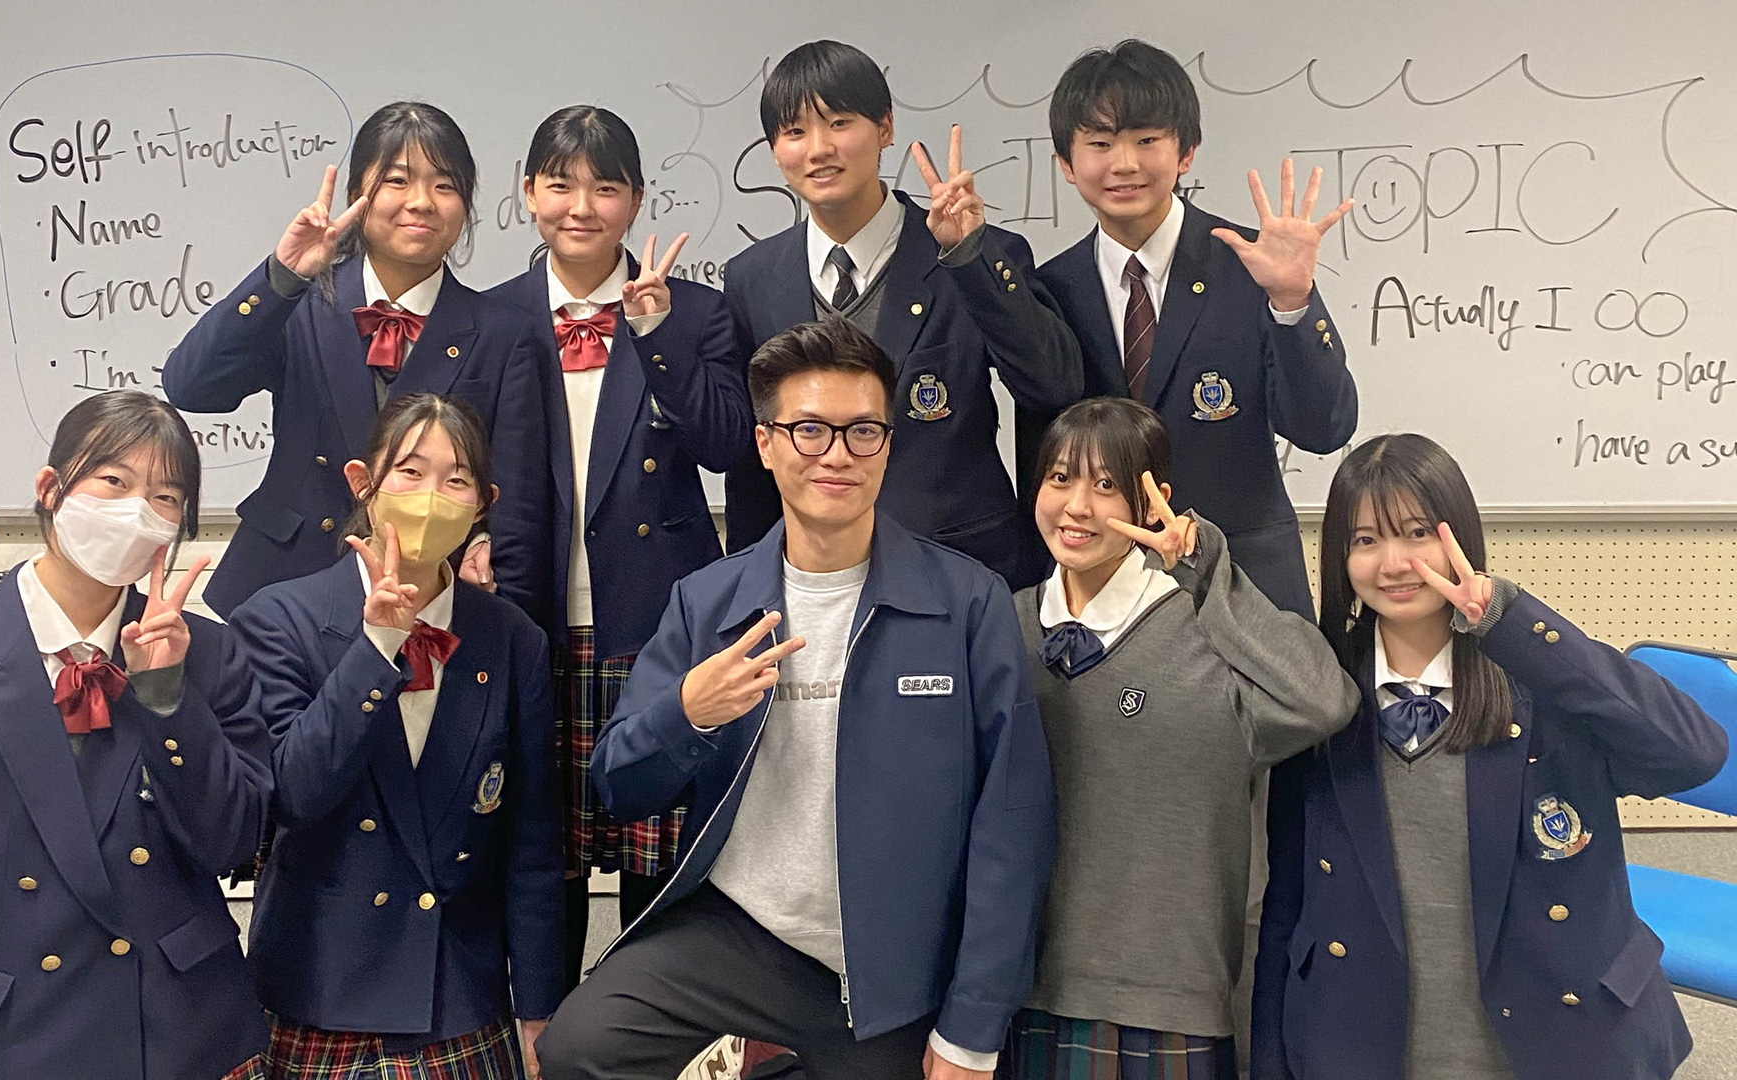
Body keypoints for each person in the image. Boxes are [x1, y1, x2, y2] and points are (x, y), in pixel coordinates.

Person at [538, 317, 1056, 1080]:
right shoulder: (707, 602)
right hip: (741, 938)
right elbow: (619, 784)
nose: (837, 455)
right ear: (765, 444)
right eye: (809, 430)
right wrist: (686, 714)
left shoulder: (966, 601)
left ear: (889, 444)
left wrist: (971, 1032)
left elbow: (1014, 823)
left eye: (863, 432)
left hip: (898, 965)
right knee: (578, 1048)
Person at [1251, 433, 1729, 1080]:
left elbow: (1695, 754)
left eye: (1418, 533)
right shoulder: (1321, 699)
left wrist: (1510, 619)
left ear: (1461, 537)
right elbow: (1288, 903)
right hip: (1371, 1040)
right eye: (1365, 540)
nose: (1394, 562)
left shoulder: (1540, 679)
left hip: (1557, 1039)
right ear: (1340, 557)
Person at [0, 389, 270, 1079]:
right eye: (114, 481)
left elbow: (233, 844)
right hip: (15, 1033)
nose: (138, 510)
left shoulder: (209, 653)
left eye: (166, 497)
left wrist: (166, 698)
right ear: (51, 488)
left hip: (182, 1028)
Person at [1002, 397, 1354, 1079]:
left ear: (1153, 500)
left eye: (1107, 484)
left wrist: (1203, 565)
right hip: (1026, 994)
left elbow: (1324, 700)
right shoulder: (1004, 626)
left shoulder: (1204, 631)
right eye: (1059, 478)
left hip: (1171, 1005)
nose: (1077, 506)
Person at [226, 393, 564, 1078]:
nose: (431, 497)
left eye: (457, 479)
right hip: (319, 987)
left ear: (483, 504)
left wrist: (539, 1006)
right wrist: (377, 646)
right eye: (410, 472)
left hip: (458, 994)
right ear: (363, 482)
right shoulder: (276, 619)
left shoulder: (511, 638)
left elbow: (531, 840)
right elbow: (293, 794)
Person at [485, 105, 751, 974]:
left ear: (636, 200)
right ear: (529, 191)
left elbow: (728, 446)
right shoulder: (491, 318)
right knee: (541, 864)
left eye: (605, 188)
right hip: (530, 619)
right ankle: (543, 1030)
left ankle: (642, 1031)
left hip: (654, 623)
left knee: (655, 868)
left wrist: (657, 332)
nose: (581, 207)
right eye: (561, 185)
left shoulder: (697, 312)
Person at [164, 102, 551, 624]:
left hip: (428, 596)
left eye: (444, 185)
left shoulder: (503, 331)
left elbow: (517, 498)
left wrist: (495, 579)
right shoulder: (300, 302)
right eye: (397, 180)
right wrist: (282, 276)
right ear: (356, 195)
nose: (421, 202)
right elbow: (191, 387)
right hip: (285, 586)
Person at [721, 38, 1082, 590]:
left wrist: (970, 258)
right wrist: (749, 582)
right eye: (794, 132)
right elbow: (753, 459)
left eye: (839, 123)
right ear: (775, 150)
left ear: (885, 128)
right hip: (813, 581)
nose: (818, 149)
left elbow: (1054, 386)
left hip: (960, 572)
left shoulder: (968, 252)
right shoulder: (752, 278)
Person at [1028, 39, 1358, 618]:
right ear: (1066, 164)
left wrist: (1292, 302)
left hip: (1246, 586)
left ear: (1186, 153)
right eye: (1100, 143)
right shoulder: (1052, 289)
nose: (1123, 163)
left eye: (1146, 140)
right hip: (1104, 592)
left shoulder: (1254, 265)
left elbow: (1323, 429)